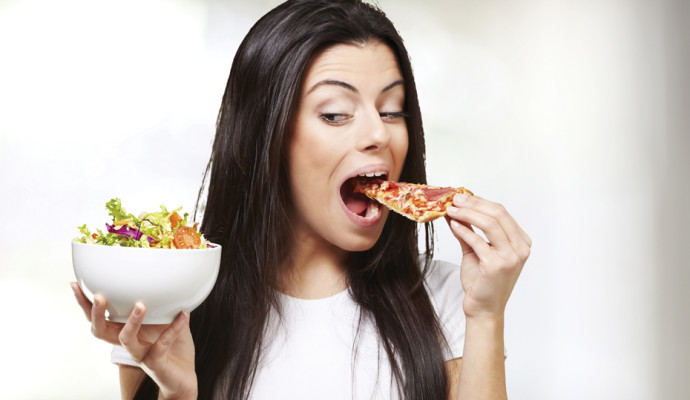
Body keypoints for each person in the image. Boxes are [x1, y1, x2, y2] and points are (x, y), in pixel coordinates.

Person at [71, 0, 531, 399]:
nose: (378, 133)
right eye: (335, 114)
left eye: (393, 111)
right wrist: (176, 392)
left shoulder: (449, 299)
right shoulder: (170, 305)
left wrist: (487, 316)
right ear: (265, 137)